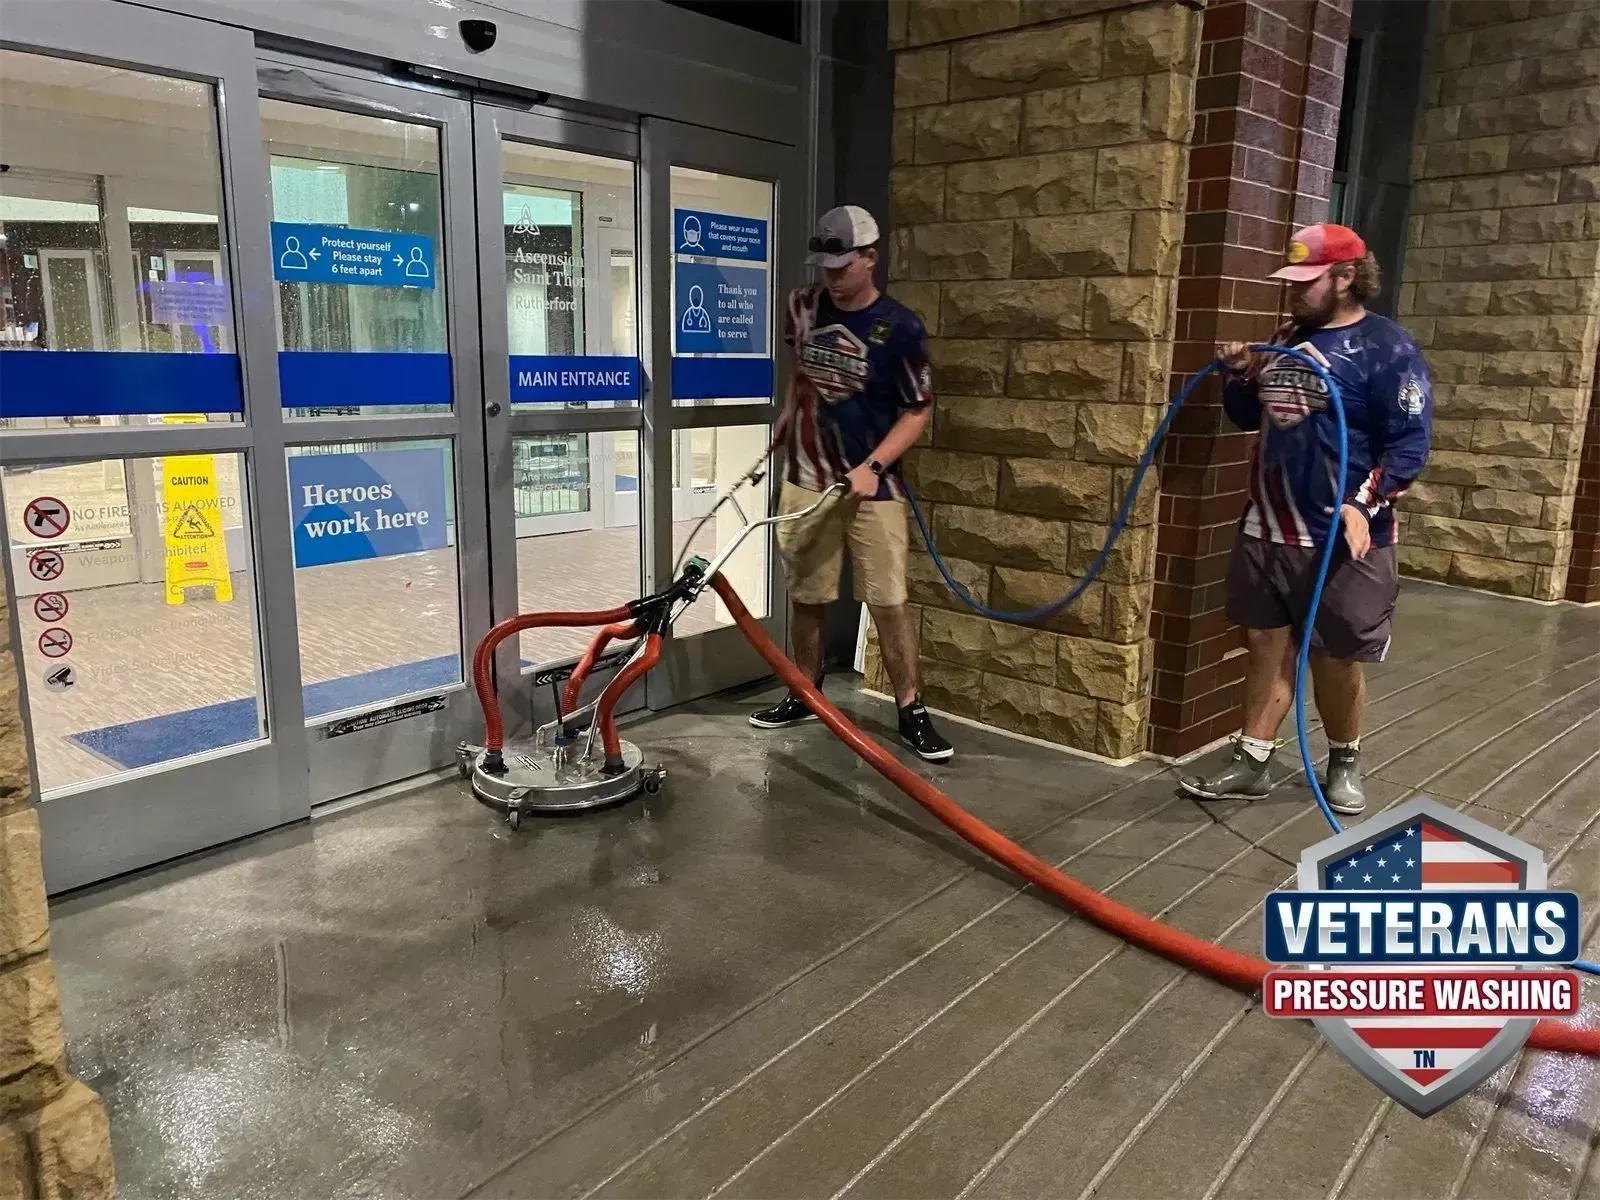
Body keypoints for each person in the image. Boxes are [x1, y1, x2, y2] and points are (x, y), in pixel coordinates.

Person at [1178, 222, 1432, 815]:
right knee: (1265, 642)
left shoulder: (1389, 350)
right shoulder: (1287, 335)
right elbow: (1250, 416)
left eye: (1305, 281)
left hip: (1342, 538)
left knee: (1334, 655)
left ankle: (1345, 757)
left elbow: (1409, 447)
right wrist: (1242, 373)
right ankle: (1253, 759)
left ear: (1345, 278)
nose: (1293, 293)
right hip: (1266, 526)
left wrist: (1361, 503)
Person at [749, 205, 954, 763]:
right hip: (806, 477)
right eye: (826, 266)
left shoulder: (902, 328)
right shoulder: (801, 306)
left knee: (888, 599)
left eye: (843, 265)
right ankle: (805, 691)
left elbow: (917, 411)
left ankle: (910, 707)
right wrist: (781, 434)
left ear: (870, 258)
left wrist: (875, 466)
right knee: (806, 594)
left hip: (872, 486)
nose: (832, 277)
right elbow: (802, 379)